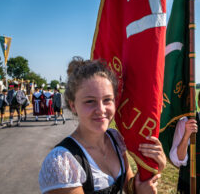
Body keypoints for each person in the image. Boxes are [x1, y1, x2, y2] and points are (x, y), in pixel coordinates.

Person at [39, 58, 166, 194]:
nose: (101, 109)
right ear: (73, 105)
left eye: (107, 100)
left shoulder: (115, 139)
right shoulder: (62, 163)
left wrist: (154, 168)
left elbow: (130, 188)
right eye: (90, 101)